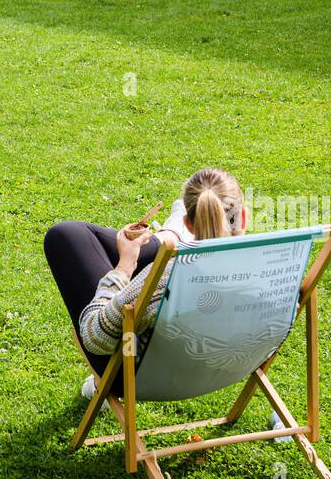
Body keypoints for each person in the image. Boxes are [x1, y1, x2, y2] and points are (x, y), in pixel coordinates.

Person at [44, 168, 248, 398]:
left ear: (191, 224)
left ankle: (169, 237)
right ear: (243, 217)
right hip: (237, 366)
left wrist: (125, 266)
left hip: (142, 377)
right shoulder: (281, 266)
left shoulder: (164, 280)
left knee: (64, 236)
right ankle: (169, 237)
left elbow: (95, 337)